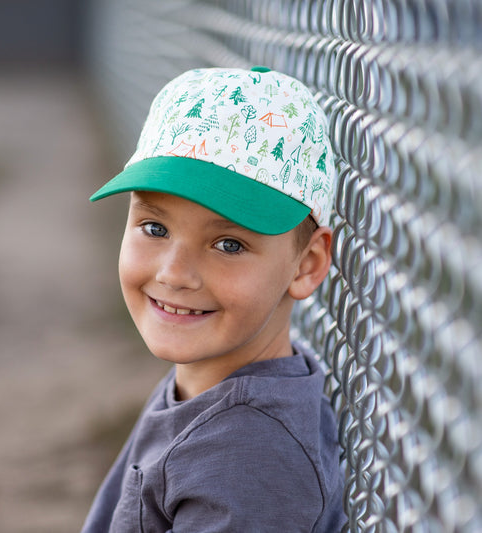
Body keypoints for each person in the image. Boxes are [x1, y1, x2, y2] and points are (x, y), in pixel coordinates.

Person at [81, 66, 345, 532]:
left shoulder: (251, 461)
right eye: (154, 228)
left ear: (306, 265)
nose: (173, 273)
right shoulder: (209, 385)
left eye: (228, 244)